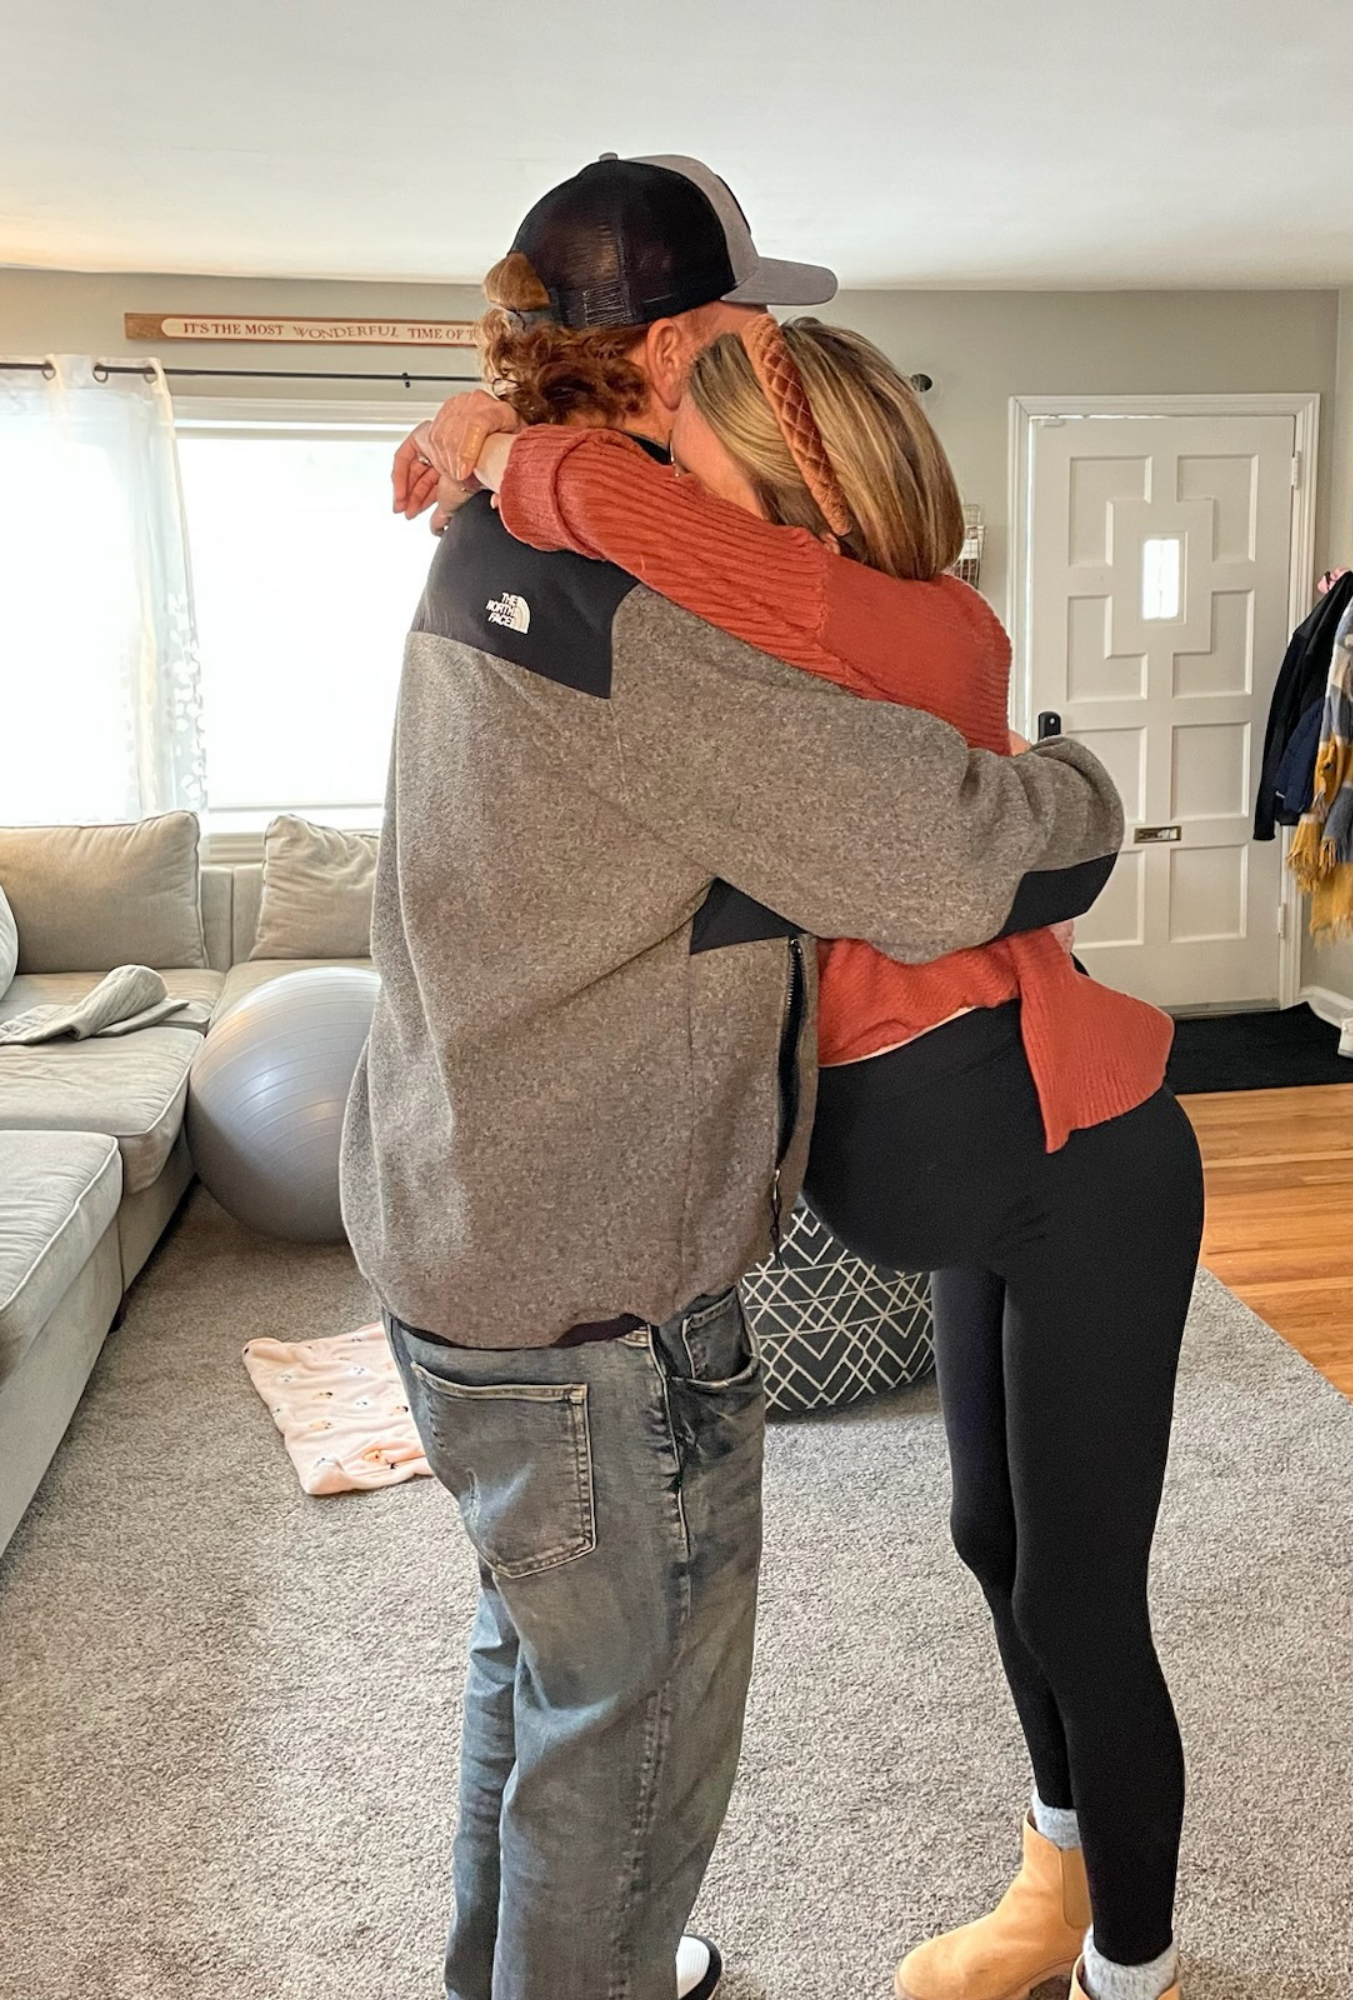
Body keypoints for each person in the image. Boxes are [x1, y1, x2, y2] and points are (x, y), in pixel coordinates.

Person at [353, 153, 1126, 2000]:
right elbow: (957, 855)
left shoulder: (506, 541)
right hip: (590, 1274)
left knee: (542, 1663)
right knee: (627, 1736)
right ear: (677, 345)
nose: (764, 366)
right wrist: (1082, 783)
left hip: (458, 1217)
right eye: (746, 332)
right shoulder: (630, 611)